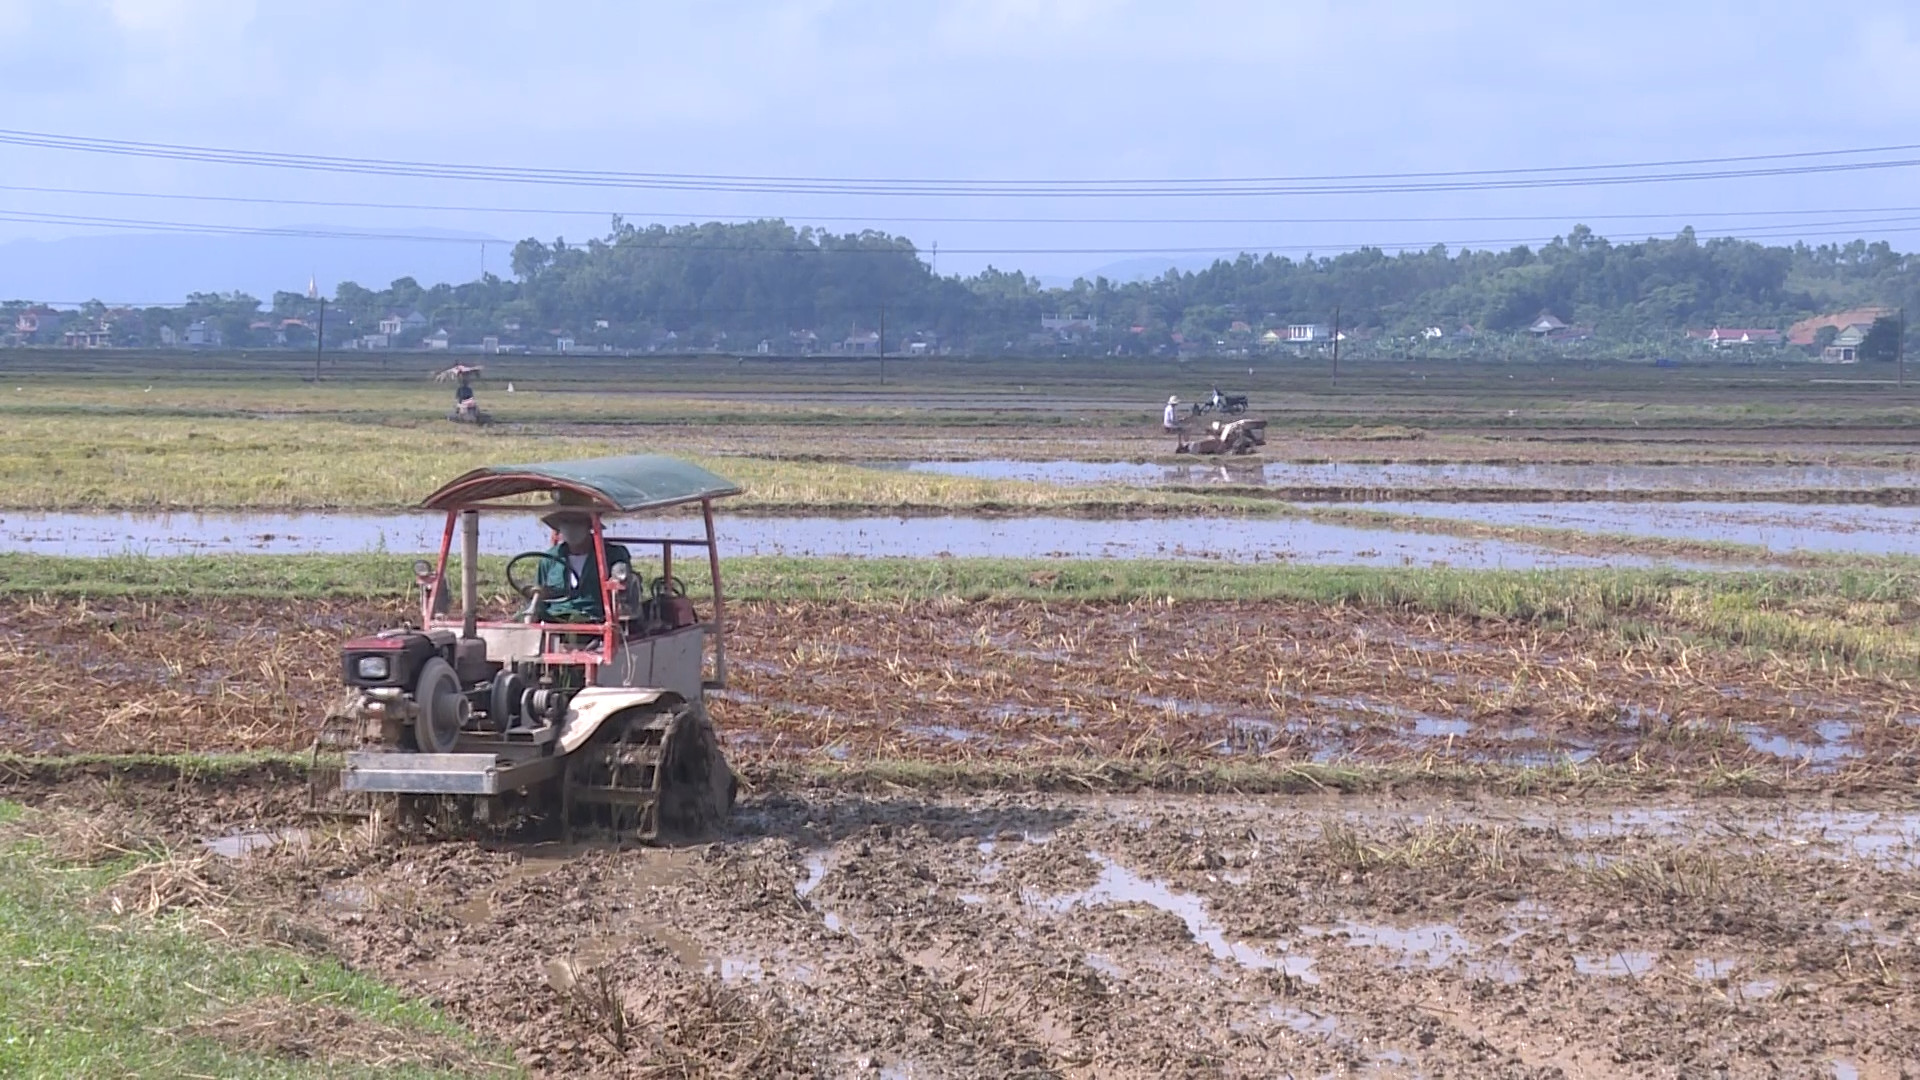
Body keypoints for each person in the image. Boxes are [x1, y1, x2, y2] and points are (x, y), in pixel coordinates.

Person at [536, 509, 631, 622]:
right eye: (566, 521)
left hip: (594, 619)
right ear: (559, 526)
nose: (571, 527)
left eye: (577, 522)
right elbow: (539, 594)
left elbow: (626, 591)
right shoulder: (549, 559)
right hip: (555, 618)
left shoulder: (612, 555)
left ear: (588, 525)